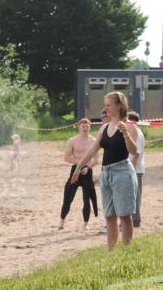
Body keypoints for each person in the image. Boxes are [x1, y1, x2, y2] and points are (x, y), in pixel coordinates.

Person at [71, 91, 140, 250]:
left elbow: (134, 150)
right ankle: (111, 251)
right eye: (105, 105)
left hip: (122, 172)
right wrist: (79, 167)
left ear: (119, 105)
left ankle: (126, 251)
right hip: (106, 173)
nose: (106, 108)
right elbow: (92, 150)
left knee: (124, 215)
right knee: (109, 215)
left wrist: (125, 134)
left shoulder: (130, 126)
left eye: (109, 105)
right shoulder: (104, 127)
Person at [58, 119, 99, 230]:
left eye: (87, 126)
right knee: (68, 197)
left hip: (87, 171)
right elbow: (66, 158)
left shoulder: (94, 140)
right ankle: (62, 221)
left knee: (87, 198)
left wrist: (88, 167)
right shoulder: (72, 140)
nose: (85, 128)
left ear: (90, 127)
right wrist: (80, 164)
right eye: (83, 126)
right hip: (75, 169)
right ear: (79, 127)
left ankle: (85, 224)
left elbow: (96, 159)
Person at [126, 111, 146, 228]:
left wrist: (130, 169)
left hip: (135, 169)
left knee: (135, 196)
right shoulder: (133, 132)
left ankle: (135, 220)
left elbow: (136, 154)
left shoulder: (137, 133)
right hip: (133, 168)